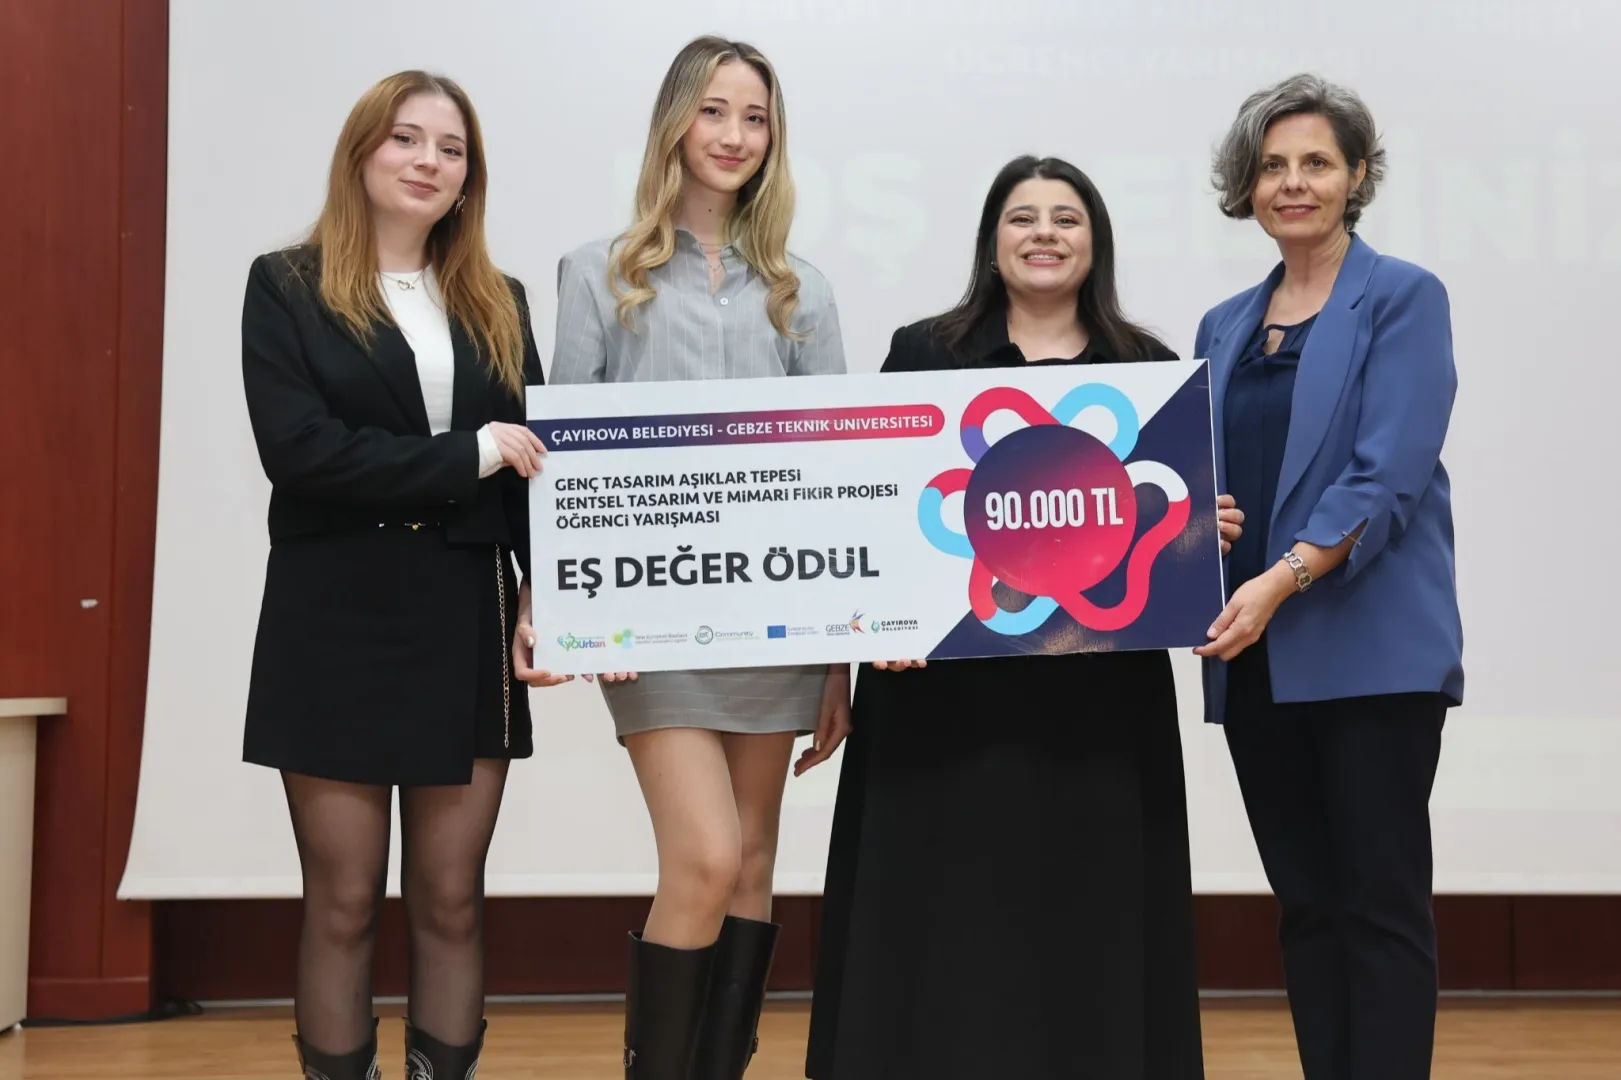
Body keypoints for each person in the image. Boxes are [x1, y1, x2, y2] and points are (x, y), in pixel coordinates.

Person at [806, 155, 1243, 1080]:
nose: (1044, 233)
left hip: (1098, 703)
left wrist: (1202, 531)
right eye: (1022, 217)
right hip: (940, 703)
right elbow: (867, 509)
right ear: (991, 241)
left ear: (1095, 242)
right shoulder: (924, 353)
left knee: (1089, 908)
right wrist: (870, 634)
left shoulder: (1147, 368)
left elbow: (1164, 523)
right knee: (944, 914)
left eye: (1065, 218)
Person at [534, 35, 852, 1079]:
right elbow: (564, 457)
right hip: (649, 617)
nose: (733, 135)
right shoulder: (598, 273)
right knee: (707, 859)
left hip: (778, 623)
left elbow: (833, 478)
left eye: (754, 118)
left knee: (752, 864)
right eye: (713, 111)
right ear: (675, 122)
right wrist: (571, 610)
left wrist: (838, 655)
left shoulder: (801, 290)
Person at [239, 70, 565, 1080]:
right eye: (406, 139)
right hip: (331, 612)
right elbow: (302, 455)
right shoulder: (285, 285)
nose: (428, 161)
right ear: (361, 153)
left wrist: (544, 594)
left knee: (451, 897)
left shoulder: (498, 299)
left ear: (469, 178)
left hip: (466, 610)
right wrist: (468, 454)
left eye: (451, 149)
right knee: (342, 901)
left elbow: (536, 469)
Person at [1192, 73, 1465, 1080]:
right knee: (1306, 906)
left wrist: (1278, 578)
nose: (1292, 183)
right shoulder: (1221, 324)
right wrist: (1199, 524)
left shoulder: (1402, 296)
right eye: (1272, 166)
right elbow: (1201, 480)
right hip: (1257, 657)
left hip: (1368, 649)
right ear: (1247, 186)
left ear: (1356, 176)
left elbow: (1385, 477)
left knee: (1378, 905)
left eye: (1315, 162)